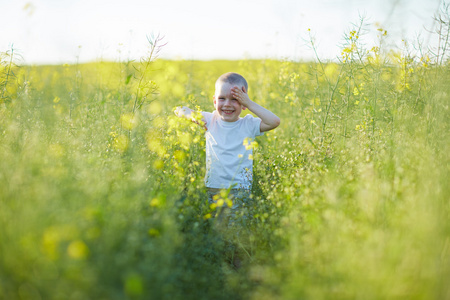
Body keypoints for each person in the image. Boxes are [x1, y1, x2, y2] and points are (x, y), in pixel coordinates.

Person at [174, 72, 280, 227]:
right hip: (214, 187)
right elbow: (179, 110)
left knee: (235, 230)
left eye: (235, 99)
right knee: (217, 228)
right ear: (214, 101)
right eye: (222, 98)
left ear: (244, 104)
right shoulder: (210, 120)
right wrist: (191, 116)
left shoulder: (248, 124)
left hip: (239, 189)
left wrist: (250, 103)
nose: (227, 104)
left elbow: (274, 121)